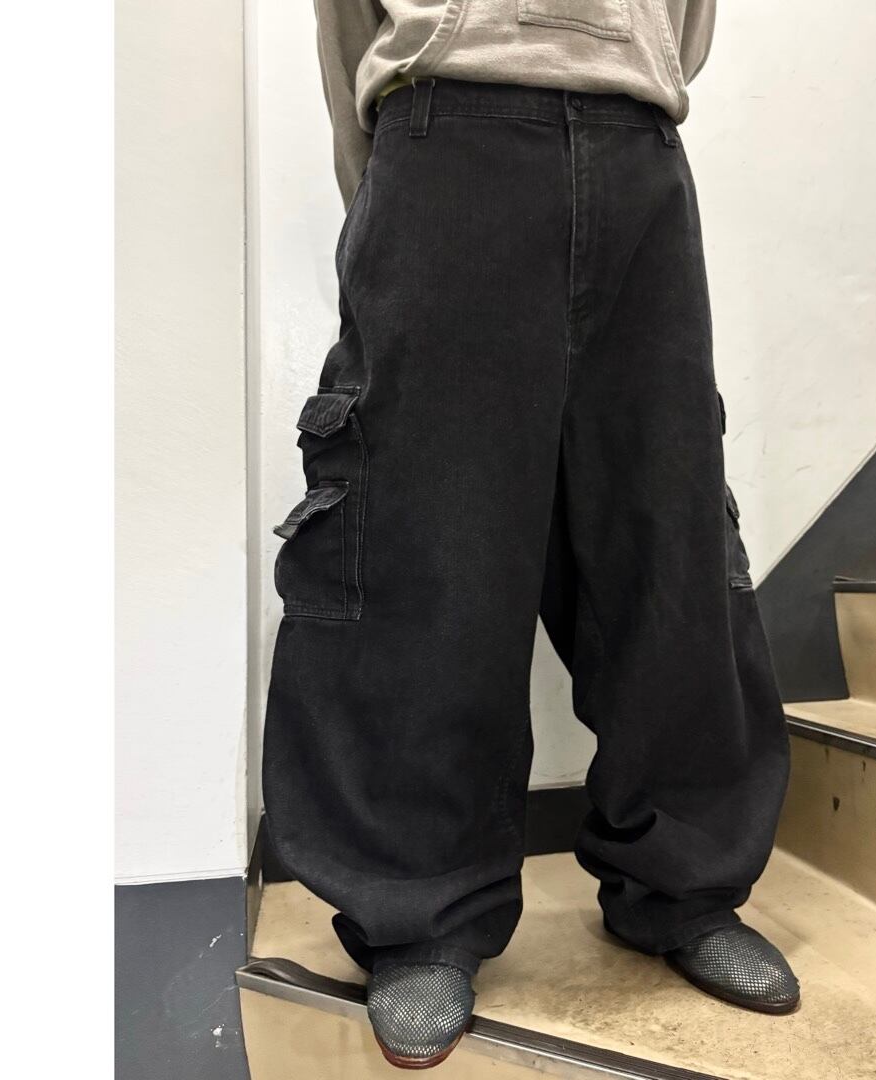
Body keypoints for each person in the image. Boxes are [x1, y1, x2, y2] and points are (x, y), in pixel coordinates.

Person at [263, 1, 799, 1068]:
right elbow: (346, 23)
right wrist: (401, 169)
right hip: (444, 131)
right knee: (424, 541)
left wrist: (630, 68)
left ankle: (682, 887)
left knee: (668, 527)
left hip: (639, 149)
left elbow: (685, 23)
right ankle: (418, 912)